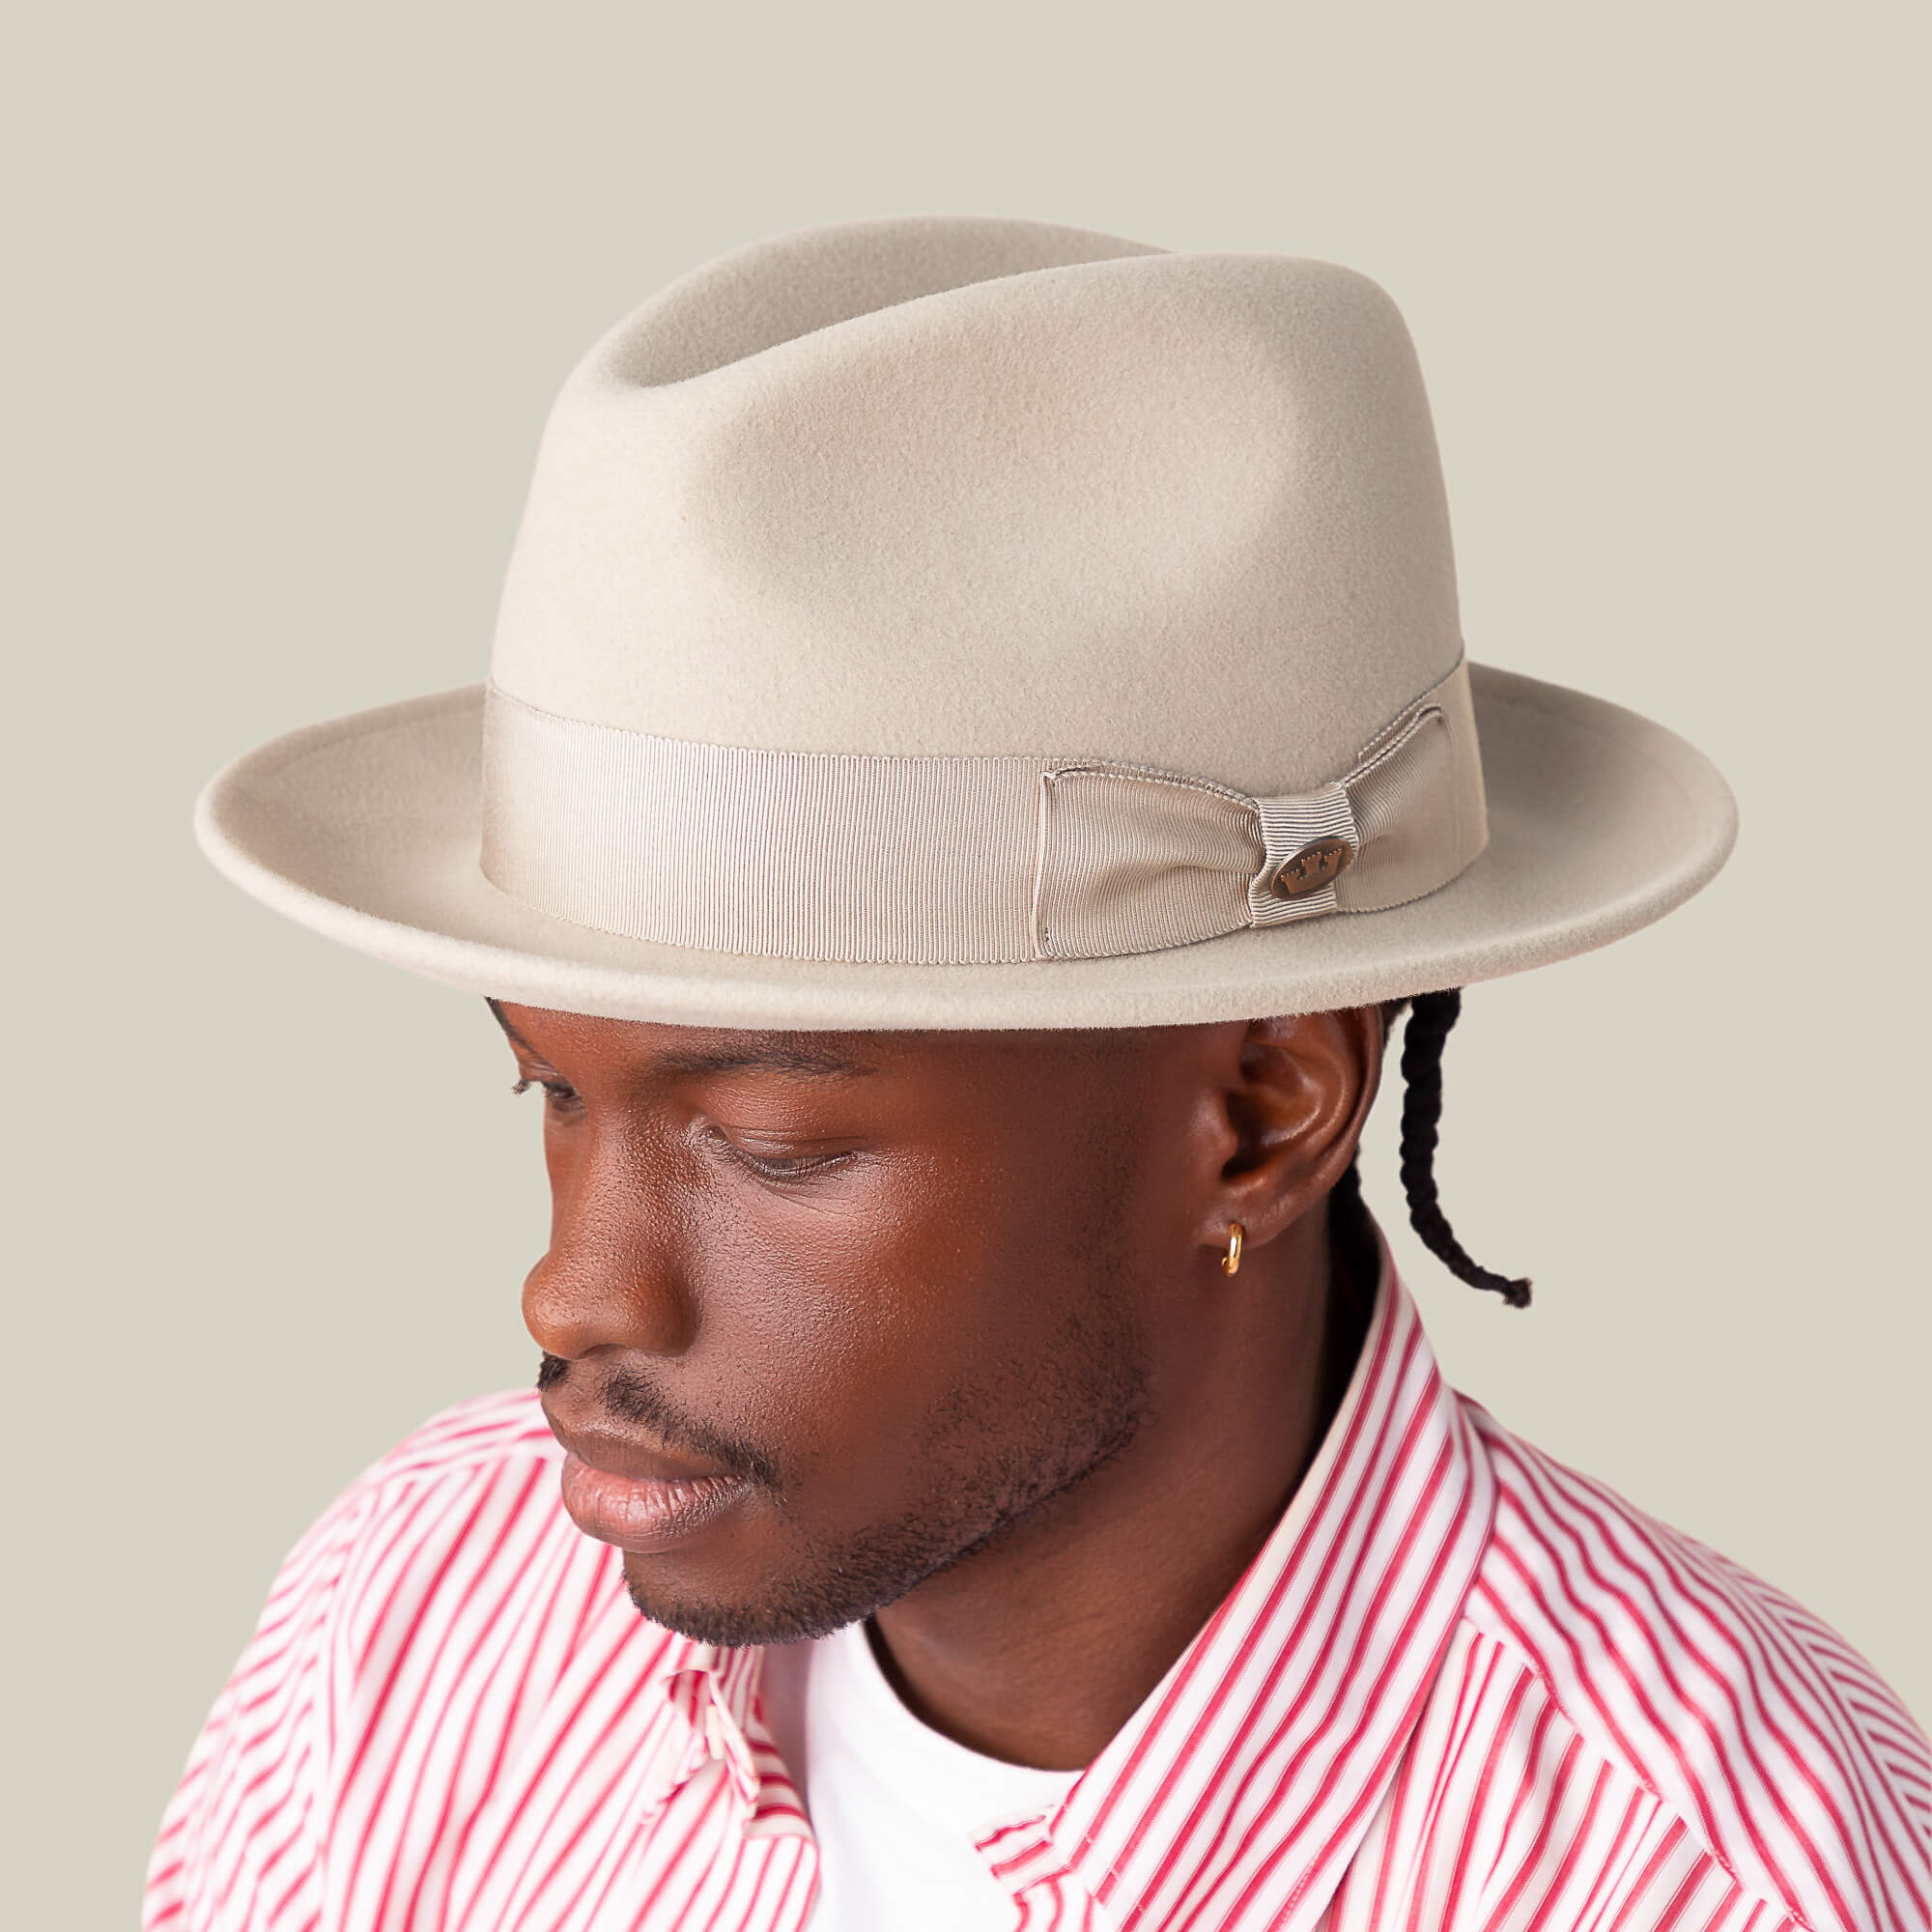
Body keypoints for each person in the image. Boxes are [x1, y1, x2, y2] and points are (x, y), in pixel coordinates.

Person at [147, 215, 1926, 1932]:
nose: (575, 1286)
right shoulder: (411, 1613)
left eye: (768, 1143)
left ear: (1258, 1117)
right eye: (549, 1088)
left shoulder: (1707, 1878)